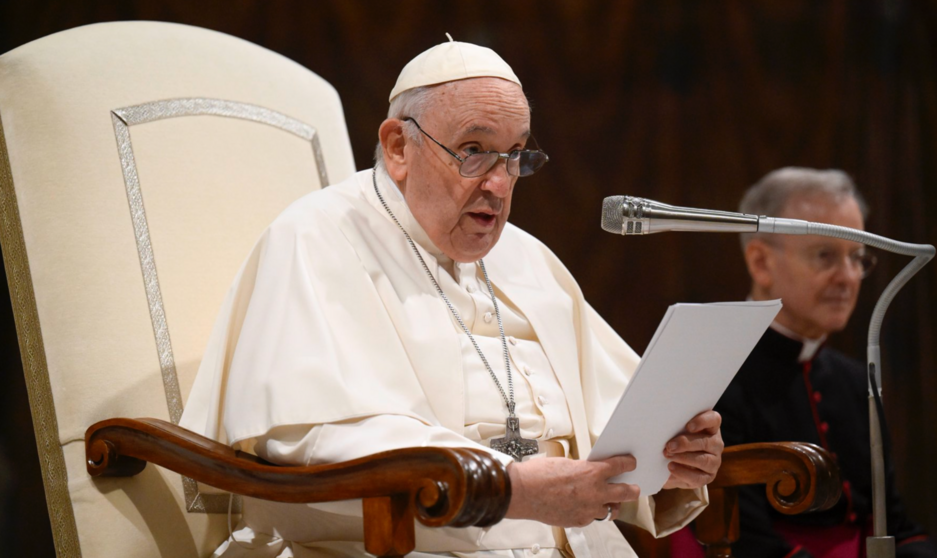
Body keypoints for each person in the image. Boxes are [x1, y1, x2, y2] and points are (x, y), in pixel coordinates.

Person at [181, 37, 724, 557]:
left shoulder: (526, 256)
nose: (499, 183)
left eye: (514, 156)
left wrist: (669, 455)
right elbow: (312, 435)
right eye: (474, 151)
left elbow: (615, 418)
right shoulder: (317, 235)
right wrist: (508, 486)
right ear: (399, 147)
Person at [714, 167, 936, 558]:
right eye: (825, 256)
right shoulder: (714, 376)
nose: (848, 277)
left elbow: (896, 526)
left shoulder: (854, 379)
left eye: (858, 258)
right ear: (761, 263)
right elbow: (745, 541)